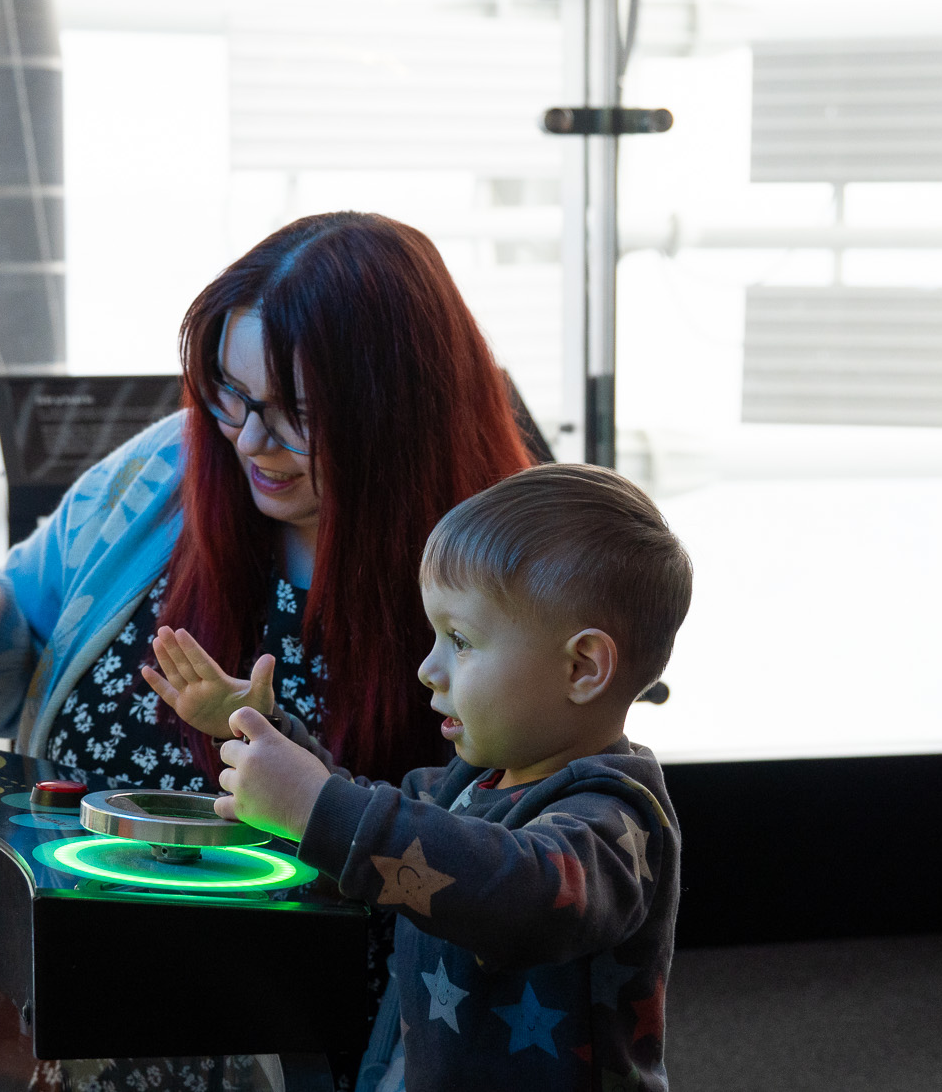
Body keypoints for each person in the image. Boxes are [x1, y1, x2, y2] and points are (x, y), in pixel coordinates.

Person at [0, 210, 535, 791]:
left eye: (299, 413)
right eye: (230, 393)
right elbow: (30, 600)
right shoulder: (169, 463)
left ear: (402, 415)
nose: (252, 441)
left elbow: (477, 852)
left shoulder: (507, 568)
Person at [155, 463, 691, 1092]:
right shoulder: (471, 784)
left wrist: (316, 805)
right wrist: (262, 731)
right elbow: (371, 821)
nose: (427, 669)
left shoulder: (616, 819)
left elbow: (522, 895)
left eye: (459, 640)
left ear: (582, 667)